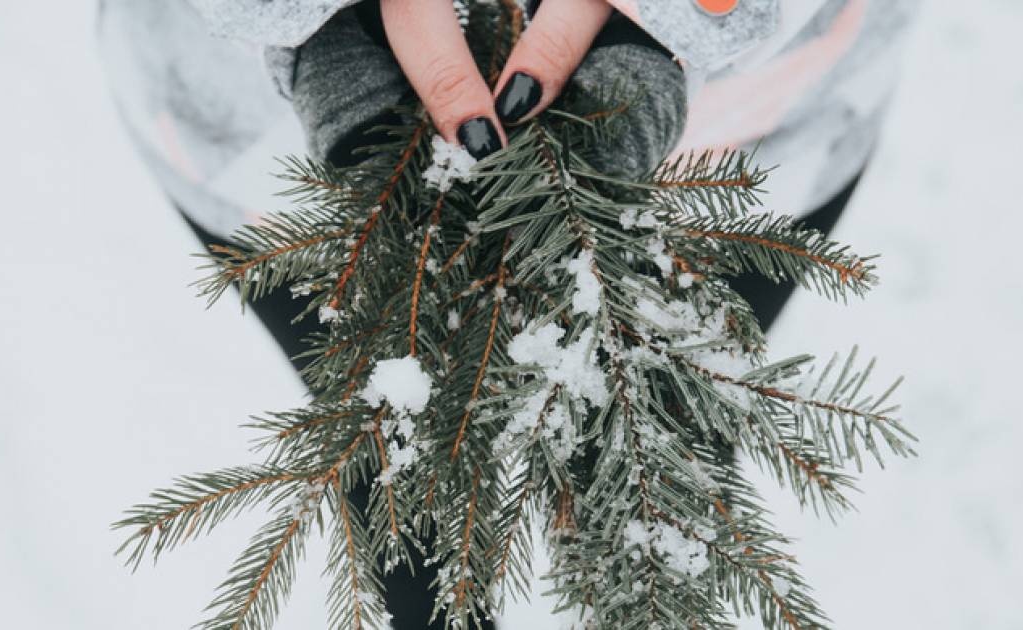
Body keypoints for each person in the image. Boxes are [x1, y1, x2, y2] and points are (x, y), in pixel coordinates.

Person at [98, 0, 917, 627]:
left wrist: (680, 14)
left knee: (657, 490)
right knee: (412, 496)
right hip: (263, 152)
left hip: (751, 138)